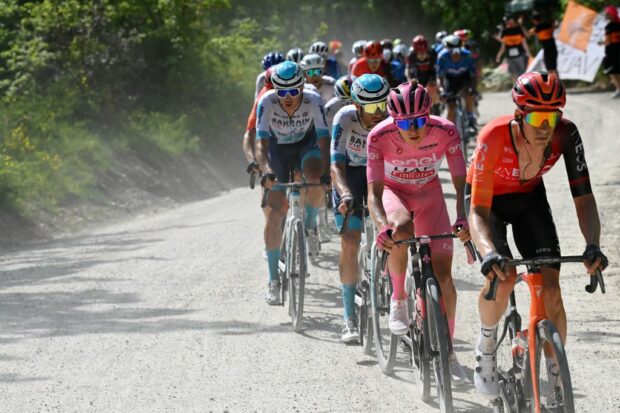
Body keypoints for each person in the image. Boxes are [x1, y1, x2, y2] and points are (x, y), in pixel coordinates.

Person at [466, 72, 608, 399]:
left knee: (552, 290)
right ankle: (486, 346)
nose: (546, 127)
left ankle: (556, 370)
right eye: (537, 117)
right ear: (519, 115)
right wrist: (489, 252)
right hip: (487, 203)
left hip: (529, 197)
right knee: (503, 277)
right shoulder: (493, 137)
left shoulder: (566, 134)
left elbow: (583, 197)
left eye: (552, 116)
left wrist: (592, 246)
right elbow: (478, 213)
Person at [366, 80, 471, 383]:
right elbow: (373, 193)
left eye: (420, 120)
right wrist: (382, 225)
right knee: (401, 228)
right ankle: (399, 298)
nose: (413, 128)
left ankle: (448, 352)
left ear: (430, 113)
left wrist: (462, 217)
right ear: (392, 120)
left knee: (444, 278)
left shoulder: (447, 130)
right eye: (405, 123)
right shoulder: (379, 135)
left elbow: (460, 179)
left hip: (429, 195)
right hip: (394, 193)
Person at [255, 61, 332, 305]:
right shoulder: (267, 101)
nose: (288, 97)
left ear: (302, 86)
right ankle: (273, 280)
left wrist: (327, 172)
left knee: (314, 177)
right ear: (274, 89)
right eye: (282, 92)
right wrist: (266, 171)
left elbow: (323, 138)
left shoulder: (312, 98)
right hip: (278, 149)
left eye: (293, 91)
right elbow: (261, 144)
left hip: (305, 145)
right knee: (274, 214)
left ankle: (310, 225)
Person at [330, 74, 390, 342]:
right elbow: (336, 164)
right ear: (356, 106)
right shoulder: (343, 118)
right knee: (350, 241)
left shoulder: (392, 116)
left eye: (382, 105)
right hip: (352, 174)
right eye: (370, 108)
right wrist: (344, 194)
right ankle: (348, 317)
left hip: (383, 173)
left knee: (394, 232)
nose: (378, 113)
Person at [436, 34, 477, 127]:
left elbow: (473, 75)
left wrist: (473, 88)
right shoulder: (442, 56)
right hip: (449, 79)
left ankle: (470, 117)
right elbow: (439, 77)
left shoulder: (467, 55)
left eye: (457, 50)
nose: (455, 55)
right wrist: (442, 90)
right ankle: (450, 127)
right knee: (451, 105)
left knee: (468, 93)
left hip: (464, 77)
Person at [406, 35, 440, 115]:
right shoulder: (411, 56)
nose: (422, 55)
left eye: (424, 52)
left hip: (430, 74)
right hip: (417, 76)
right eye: (419, 53)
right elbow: (409, 72)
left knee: (432, 90)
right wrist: (411, 82)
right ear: (415, 51)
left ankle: (437, 110)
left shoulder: (432, 54)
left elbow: (436, 70)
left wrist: (436, 82)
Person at [496, 15, 532, 83]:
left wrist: (528, 53)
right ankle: (516, 88)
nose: (508, 22)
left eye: (509, 20)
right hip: (510, 57)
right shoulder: (504, 31)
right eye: (506, 21)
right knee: (512, 73)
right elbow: (503, 45)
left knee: (522, 72)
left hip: (520, 55)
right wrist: (499, 55)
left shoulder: (519, 29)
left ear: (513, 20)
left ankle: (523, 87)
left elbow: (524, 42)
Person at [528, 10, 559, 78]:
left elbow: (529, 33)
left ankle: (554, 83)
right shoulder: (548, 25)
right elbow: (555, 26)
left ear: (534, 20)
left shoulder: (537, 28)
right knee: (554, 68)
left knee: (550, 69)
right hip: (553, 48)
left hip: (547, 49)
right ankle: (558, 82)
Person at [601, 5, 620, 98]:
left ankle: (618, 89)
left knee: (612, 72)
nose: (605, 15)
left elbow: (608, 41)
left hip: (612, 52)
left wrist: (601, 43)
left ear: (611, 15)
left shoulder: (609, 27)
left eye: (607, 13)